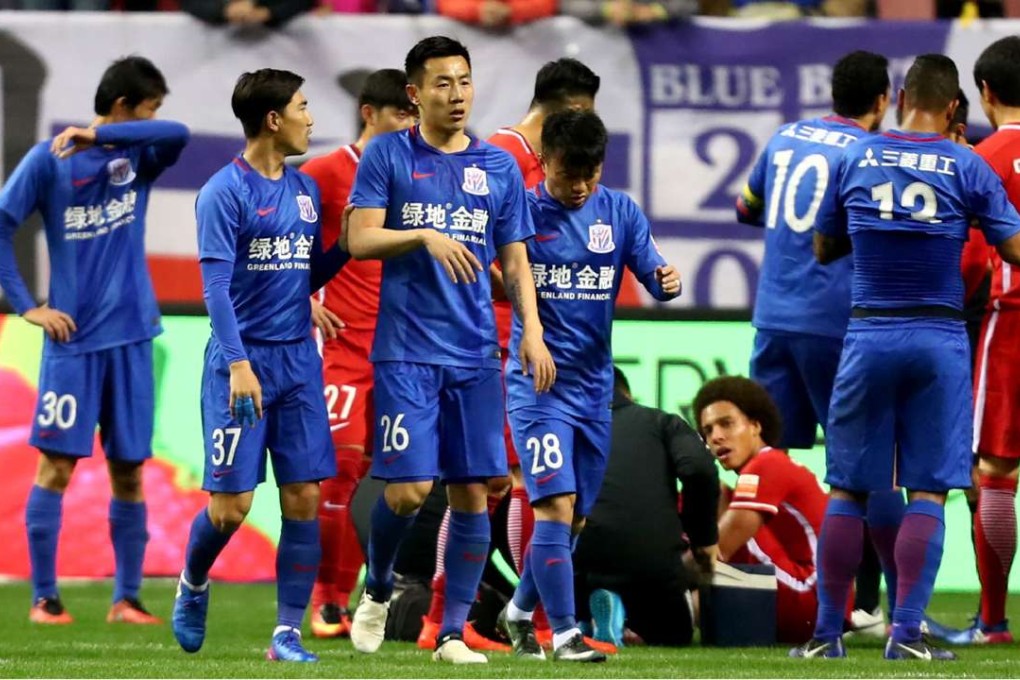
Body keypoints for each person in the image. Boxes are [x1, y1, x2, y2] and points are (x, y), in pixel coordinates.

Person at [792, 54, 1020, 661]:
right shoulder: (967, 163)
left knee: (847, 488)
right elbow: (1015, 249)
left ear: (897, 97)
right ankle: (907, 634)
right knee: (928, 490)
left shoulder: (855, 157)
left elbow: (823, 246)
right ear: (953, 109)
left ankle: (825, 636)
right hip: (939, 339)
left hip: (869, 334)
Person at [345, 35, 555, 664]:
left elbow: (516, 261)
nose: (456, 94)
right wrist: (424, 236)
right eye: (442, 83)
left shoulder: (496, 167)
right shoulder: (386, 155)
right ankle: (378, 584)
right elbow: (358, 239)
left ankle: (452, 632)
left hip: (474, 354)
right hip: (406, 352)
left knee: (476, 490)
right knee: (409, 491)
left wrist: (533, 330)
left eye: (464, 81)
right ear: (414, 94)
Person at [417, 56, 603, 654]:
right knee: (511, 480)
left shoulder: (522, 157)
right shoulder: (498, 156)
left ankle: (520, 615)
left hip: (529, 338)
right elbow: (488, 247)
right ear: (569, 111)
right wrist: (520, 299)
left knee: (507, 481)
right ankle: (530, 623)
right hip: (500, 338)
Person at [0, 56, 188, 625]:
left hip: (134, 337)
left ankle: (126, 599)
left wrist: (100, 132)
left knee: (129, 469)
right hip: (74, 341)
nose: (157, 117)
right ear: (127, 104)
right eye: (149, 106)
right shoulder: (49, 160)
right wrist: (28, 307)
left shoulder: (138, 153)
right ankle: (44, 598)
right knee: (56, 466)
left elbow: (175, 134)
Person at [170, 68, 349, 663]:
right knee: (232, 508)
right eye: (303, 106)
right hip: (239, 366)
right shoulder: (225, 191)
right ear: (274, 119)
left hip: (298, 362)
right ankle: (193, 581)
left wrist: (342, 249)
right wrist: (240, 363)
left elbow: (304, 272)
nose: (311, 118)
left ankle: (286, 635)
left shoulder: (303, 191)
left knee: (302, 497)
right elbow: (216, 288)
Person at [496, 109, 681, 663]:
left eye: (590, 175)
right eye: (567, 174)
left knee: (574, 517)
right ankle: (567, 633)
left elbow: (653, 270)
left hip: (593, 390)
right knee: (554, 504)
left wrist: (664, 281)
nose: (579, 187)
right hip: (537, 386)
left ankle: (518, 612)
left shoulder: (619, 210)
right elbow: (493, 274)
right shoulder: (519, 213)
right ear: (544, 161)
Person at [736, 50, 900, 636]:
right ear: (882, 101)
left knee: (766, 455)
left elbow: (745, 207)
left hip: (774, 317)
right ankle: (873, 608)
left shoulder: (784, 138)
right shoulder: (870, 153)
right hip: (839, 325)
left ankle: (754, 589)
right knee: (868, 464)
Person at [300, 68, 416, 641]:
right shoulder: (324, 172)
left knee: (392, 478)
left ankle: (373, 591)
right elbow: (269, 235)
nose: (410, 126)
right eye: (402, 114)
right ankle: (326, 601)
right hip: (343, 345)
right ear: (370, 113)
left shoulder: (418, 175)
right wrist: (298, 298)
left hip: (405, 349)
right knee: (339, 472)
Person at [573, 366, 719, 648]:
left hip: (583, 562)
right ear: (627, 393)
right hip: (653, 566)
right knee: (675, 634)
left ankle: (587, 617)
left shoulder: (569, 428)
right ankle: (617, 618)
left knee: (578, 581)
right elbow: (699, 469)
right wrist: (703, 539)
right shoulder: (663, 422)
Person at [958, 35, 1020, 645]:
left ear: (986, 92)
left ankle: (994, 621)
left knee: (997, 472)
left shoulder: (986, 158)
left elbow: (974, 263)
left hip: (1011, 323)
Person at [694, 376, 830, 644]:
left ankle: (663, 611)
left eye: (726, 423)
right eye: (708, 431)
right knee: (710, 499)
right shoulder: (771, 466)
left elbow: (716, 550)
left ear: (755, 425)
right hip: (820, 602)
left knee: (713, 518)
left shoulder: (766, 465)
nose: (716, 436)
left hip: (808, 600)